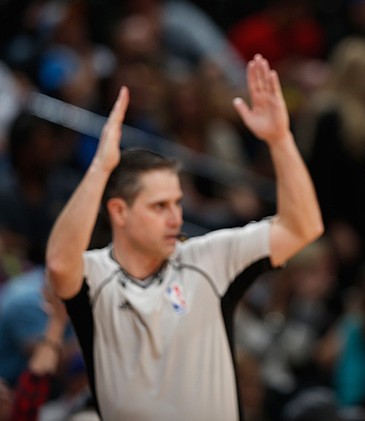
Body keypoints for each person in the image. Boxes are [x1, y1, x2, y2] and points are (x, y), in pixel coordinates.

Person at [45, 54, 324, 420]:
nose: (175, 217)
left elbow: (302, 227)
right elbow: (59, 264)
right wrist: (101, 168)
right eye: (159, 206)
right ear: (119, 212)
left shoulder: (209, 258)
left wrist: (279, 139)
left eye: (177, 203)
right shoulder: (94, 275)